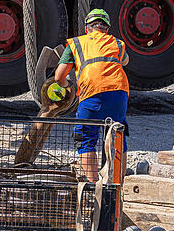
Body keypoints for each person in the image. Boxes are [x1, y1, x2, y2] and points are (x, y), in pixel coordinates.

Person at [51, 9, 129, 179]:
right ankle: (118, 186)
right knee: (117, 134)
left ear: (87, 28)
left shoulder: (77, 43)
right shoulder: (117, 43)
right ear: (106, 29)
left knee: (86, 138)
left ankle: (93, 187)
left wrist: (68, 87)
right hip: (118, 93)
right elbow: (124, 60)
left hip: (92, 94)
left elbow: (58, 76)